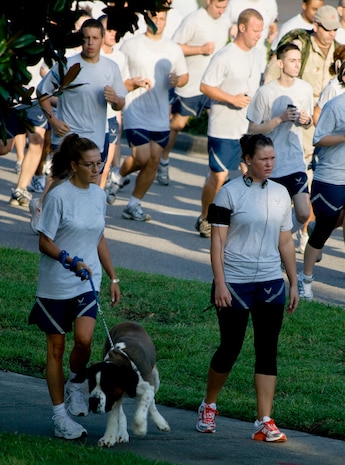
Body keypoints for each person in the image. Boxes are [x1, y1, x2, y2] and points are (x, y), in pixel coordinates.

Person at [196, 133, 299, 441]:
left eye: (273, 159)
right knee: (231, 347)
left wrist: (293, 282)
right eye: (264, 159)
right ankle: (209, 404)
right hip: (235, 283)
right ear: (248, 161)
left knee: (267, 350)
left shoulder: (281, 193)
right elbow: (217, 244)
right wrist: (220, 283)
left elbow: (285, 241)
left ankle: (264, 420)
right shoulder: (228, 194)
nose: (269, 164)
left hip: (270, 283)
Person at [28, 133, 121, 440]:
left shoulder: (97, 195)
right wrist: (69, 260)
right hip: (56, 284)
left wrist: (112, 276)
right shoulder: (59, 196)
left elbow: (99, 237)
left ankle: (75, 383)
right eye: (90, 165)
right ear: (73, 166)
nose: (97, 170)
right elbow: (44, 241)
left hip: (87, 283)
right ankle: (59, 418)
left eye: (100, 163)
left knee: (84, 340)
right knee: (56, 349)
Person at [105, 9, 188, 221]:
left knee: (154, 160)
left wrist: (176, 80)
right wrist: (133, 83)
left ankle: (133, 204)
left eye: (162, 19)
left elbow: (184, 76)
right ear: (146, 18)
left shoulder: (172, 48)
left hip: (160, 114)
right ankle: (117, 175)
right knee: (141, 157)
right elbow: (118, 74)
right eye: (155, 17)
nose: (158, 22)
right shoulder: (132, 45)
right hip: (135, 110)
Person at [195, 8, 263, 238]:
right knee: (219, 177)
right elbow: (205, 86)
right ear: (242, 27)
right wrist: (232, 98)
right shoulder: (225, 55)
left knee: (250, 176)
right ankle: (205, 217)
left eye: (261, 31)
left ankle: (242, 223)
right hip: (223, 127)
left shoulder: (256, 54)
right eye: (255, 30)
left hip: (247, 129)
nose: (258, 35)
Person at [247, 43, 314, 253]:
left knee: (303, 214)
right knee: (269, 216)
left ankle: (278, 240)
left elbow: (310, 122)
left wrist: (306, 120)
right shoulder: (266, 92)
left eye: (299, 60)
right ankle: (272, 247)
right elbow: (252, 129)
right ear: (280, 63)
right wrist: (279, 119)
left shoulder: (305, 89)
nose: (297, 65)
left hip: (295, 160)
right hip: (271, 164)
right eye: (292, 60)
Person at [157, 0, 230, 186]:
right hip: (191, 85)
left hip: (213, 85)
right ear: (208, 2)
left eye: (224, 7)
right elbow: (174, 47)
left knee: (218, 124)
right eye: (218, 7)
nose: (221, 11)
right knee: (177, 125)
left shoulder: (225, 20)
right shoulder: (194, 20)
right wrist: (200, 49)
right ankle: (163, 161)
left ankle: (215, 171)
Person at [298, 87, 345, 300]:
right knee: (324, 229)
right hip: (331, 178)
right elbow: (318, 138)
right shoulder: (335, 105)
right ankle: (305, 279)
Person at [227, 0, 279, 72]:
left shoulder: (270, 2)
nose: (259, 35)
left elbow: (274, 25)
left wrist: (273, 33)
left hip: (260, 63)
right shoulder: (234, 3)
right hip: (237, 62)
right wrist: (230, 30)